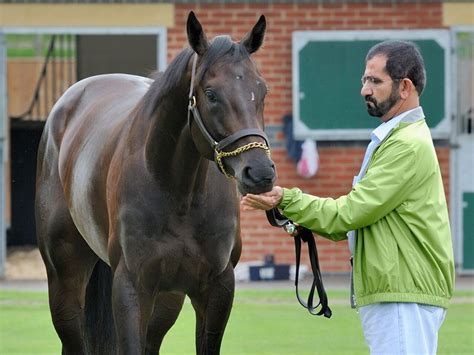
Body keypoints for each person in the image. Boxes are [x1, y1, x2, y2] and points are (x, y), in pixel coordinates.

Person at [241, 40, 454, 354]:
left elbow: (349, 213)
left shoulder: (405, 145)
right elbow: (347, 225)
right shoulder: (395, 138)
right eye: (364, 80)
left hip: (403, 295)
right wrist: (291, 212)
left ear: (405, 87)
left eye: (374, 81)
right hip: (398, 292)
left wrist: (287, 198)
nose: (364, 90)